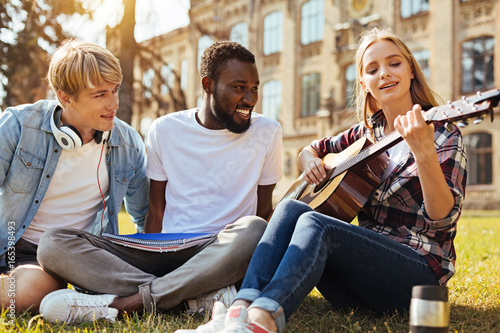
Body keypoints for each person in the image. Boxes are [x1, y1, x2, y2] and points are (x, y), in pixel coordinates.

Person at [181, 27, 467, 333]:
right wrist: (310, 162)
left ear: (411, 69)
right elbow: (313, 148)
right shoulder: (367, 133)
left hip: (416, 280)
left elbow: (442, 220)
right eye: (372, 69)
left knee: (317, 223)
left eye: (394, 63)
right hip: (359, 282)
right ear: (363, 83)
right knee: (292, 208)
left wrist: (424, 154)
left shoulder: (441, 132)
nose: (384, 73)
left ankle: (261, 320)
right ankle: (241, 308)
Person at [37, 41, 283, 324]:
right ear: (208, 85)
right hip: (164, 249)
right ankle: (191, 298)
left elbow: (264, 211)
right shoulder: (165, 129)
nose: (250, 99)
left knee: (254, 229)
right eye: (239, 88)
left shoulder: (268, 131)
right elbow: (156, 211)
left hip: (219, 253)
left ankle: (125, 304)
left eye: (255, 89)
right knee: (53, 243)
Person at [0, 38, 149, 315]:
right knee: (29, 292)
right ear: (65, 97)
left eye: (115, 90)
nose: (114, 104)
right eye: (100, 94)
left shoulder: (128, 143)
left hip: (81, 256)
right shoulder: (20, 125)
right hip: (16, 252)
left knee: (41, 288)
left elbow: (145, 218)